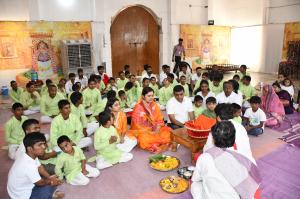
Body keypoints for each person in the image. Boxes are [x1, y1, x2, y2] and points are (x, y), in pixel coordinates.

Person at [191, 121, 260, 199]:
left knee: (196, 184)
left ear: (213, 140)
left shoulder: (205, 157)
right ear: (234, 139)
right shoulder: (247, 158)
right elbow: (254, 186)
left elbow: (196, 179)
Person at [7, 132, 64, 199]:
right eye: (40, 145)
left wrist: (50, 177)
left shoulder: (29, 155)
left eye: (44, 144)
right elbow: (40, 183)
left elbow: (40, 167)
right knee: (49, 186)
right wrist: (51, 181)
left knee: (51, 179)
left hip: (21, 188)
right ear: (30, 149)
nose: (44, 147)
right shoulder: (28, 164)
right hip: (21, 195)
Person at [130, 87, 171, 153]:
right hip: (143, 131)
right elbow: (137, 126)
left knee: (168, 132)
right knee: (143, 139)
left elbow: (159, 118)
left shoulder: (154, 104)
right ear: (143, 96)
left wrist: (157, 128)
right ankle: (157, 144)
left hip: (155, 128)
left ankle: (155, 145)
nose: (151, 97)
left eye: (152, 95)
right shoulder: (138, 107)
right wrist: (149, 131)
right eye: (149, 96)